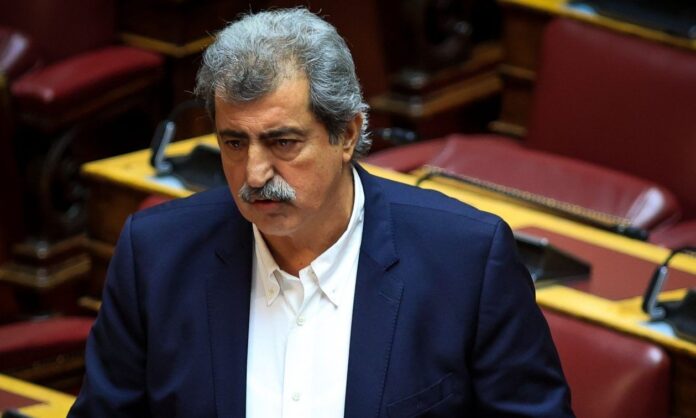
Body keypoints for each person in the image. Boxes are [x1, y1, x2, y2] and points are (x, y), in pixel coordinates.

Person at [69, 7, 573, 417]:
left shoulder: (467, 262)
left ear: (347, 134)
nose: (254, 174)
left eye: (283, 142)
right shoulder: (155, 256)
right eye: (234, 142)